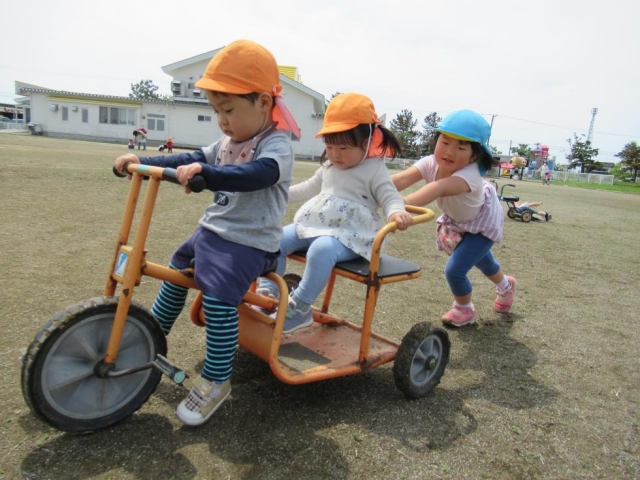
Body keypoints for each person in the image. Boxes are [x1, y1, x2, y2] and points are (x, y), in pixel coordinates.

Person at [113, 39, 300, 426]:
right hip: (214, 232)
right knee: (176, 275)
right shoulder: (227, 141)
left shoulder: (276, 144)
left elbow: (259, 174)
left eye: (229, 110)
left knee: (216, 300)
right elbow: (192, 158)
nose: (223, 120)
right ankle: (149, 341)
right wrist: (142, 161)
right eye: (216, 111)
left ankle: (217, 379)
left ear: (264, 103)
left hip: (251, 242)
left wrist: (209, 175)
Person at [256, 93, 413, 333]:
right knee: (275, 237)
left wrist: (396, 212)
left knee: (321, 249)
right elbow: (308, 187)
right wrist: (279, 193)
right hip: (317, 225)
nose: (335, 154)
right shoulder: (329, 166)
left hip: (351, 236)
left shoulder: (374, 168)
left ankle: (300, 309)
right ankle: (269, 292)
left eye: (343, 147)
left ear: (366, 142)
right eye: (329, 146)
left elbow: (389, 195)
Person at [391, 110, 516, 328]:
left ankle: (464, 309)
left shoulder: (470, 176)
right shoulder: (430, 162)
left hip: (483, 219)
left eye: (461, 147)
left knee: (455, 269)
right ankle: (506, 286)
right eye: (445, 142)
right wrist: (373, 189)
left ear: (474, 155)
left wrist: (399, 203)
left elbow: (437, 188)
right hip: (459, 219)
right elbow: (401, 179)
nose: (449, 151)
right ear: (436, 140)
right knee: (482, 259)